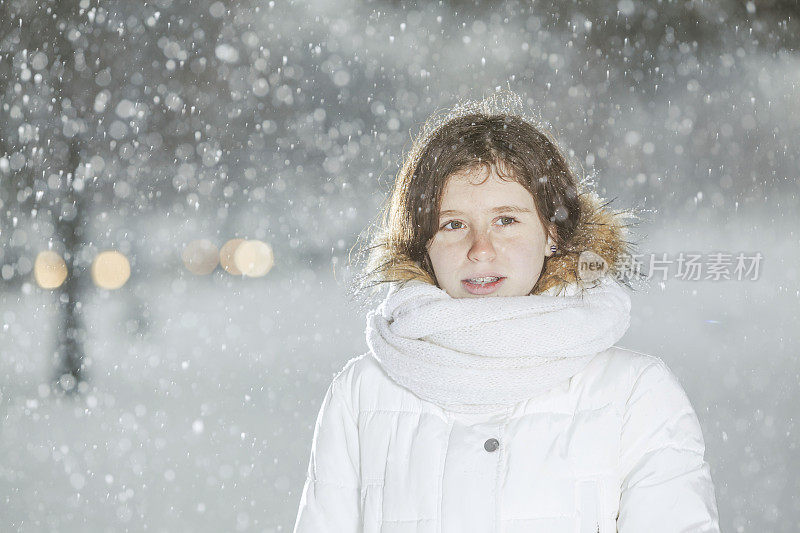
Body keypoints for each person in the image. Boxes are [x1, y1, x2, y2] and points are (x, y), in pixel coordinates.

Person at [293, 93, 720, 532]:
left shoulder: (635, 394)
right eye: (453, 224)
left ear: (552, 233)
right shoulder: (362, 394)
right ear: (422, 242)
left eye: (506, 220)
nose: (481, 250)